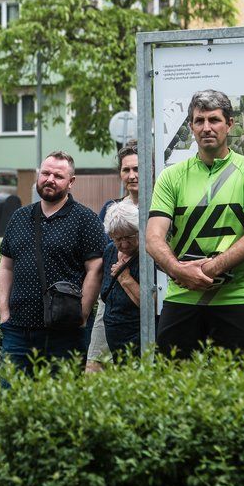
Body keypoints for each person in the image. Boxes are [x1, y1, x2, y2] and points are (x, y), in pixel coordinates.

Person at [146, 89, 244, 358]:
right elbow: (153, 238)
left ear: (230, 124)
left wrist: (203, 272)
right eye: (199, 120)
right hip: (181, 299)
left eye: (214, 120)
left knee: (237, 394)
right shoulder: (171, 177)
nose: (206, 127)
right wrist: (179, 272)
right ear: (191, 126)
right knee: (174, 391)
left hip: (236, 299)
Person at [0, 151, 106, 372]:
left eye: (58, 176)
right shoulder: (19, 217)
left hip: (65, 333)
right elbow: (6, 266)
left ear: (71, 182)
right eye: (45, 173)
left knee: (62, 403)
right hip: (18, 331)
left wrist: (82, 316)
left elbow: (96, 269)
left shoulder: (86, 219)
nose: (50, 179)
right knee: (13, 400)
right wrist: (4, 313)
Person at [87, 141, 140, 371]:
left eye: (137, 168)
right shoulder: (112, 210)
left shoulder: (162, 206)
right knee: (94, 367)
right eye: (126, 169)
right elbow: (101, 258)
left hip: (140, 306)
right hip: (110, 304)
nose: (131, 175)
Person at [101, 199, 142, 357]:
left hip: (137, 335)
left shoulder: (147, 255)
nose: (124, 244)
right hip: (113, 335)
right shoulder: (110, 251)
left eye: (129, 237)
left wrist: (125, 278)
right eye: (118, 239)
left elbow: (149, 304)